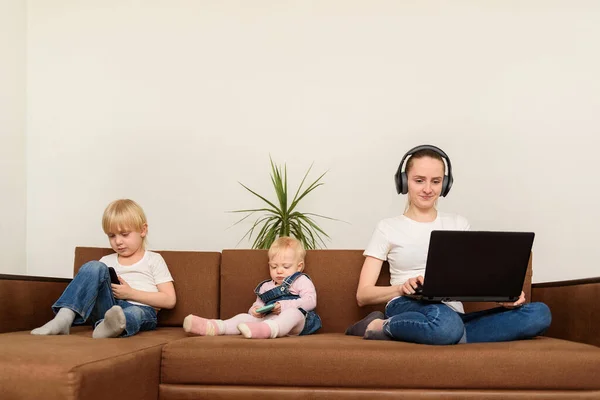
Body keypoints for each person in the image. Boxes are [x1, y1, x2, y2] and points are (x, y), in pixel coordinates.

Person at [346, 145, 551, 345]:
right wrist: (402, 288)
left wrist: (502, 298)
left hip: (450, 313)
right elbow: (363, 295)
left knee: (539, 314)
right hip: (408, 305)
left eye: (435, 181)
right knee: (444, 322)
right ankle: (378, 326)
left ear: (445, 184)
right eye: (419, 180)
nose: (428, 189)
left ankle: (448, 335)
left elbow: (472, 279)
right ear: (403, 181)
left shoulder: (459, 224)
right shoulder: (387, 227)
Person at [31, 199, 176, 338]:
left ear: (143, 230)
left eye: (125, 234)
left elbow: (169, 300)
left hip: (142, 309)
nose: (118, 241)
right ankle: (64, 317)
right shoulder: (106, 261)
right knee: (94, 266)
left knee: (134, 313)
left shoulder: (153, 259)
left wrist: (130, 293)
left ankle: (108, 327)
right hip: (107, 309)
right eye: (112, 236)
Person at [183, 236, 321, 339]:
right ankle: (216, 327)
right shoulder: (265, 287)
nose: (279, 271)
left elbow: (310, 301)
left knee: (293, 314)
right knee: (243, 317)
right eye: (274, 266)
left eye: (285, 266)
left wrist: (285, 305)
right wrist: (255, 310)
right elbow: (258, 304)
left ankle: (268, 331)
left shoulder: (300, 280)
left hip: (299, 323)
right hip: (268, 319)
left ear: (299, 266)